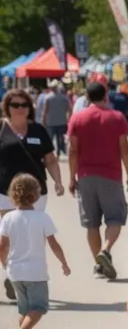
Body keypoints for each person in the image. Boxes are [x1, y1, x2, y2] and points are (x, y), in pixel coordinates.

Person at [1, 89, 64, 300]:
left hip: (36, 193)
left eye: (24, 105)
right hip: (4, 191)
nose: (20, 109)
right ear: (7, 107)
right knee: (8, 237)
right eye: (15, 105)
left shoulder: (38, 130)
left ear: (30, 107)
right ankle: (13, 276)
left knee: (32, 237)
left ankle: (27, 277)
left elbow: (50, 159)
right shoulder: (1, 129)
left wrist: (58, 181)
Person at [0, 173, 70, 329]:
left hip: (15, 272)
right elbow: (54, 244)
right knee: (39, 307)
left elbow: (2, 245)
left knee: (25, 310)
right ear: (36, 195)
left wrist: (4, 263)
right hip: (35, 272)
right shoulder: (42, 218)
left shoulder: (7, 219)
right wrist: (63, 262)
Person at [67, 81, 128, 281]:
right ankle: (106, 249)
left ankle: (98, 264)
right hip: (111, 175)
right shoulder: (117, 117)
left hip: (86, 176)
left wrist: (71, 177)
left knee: (91, 223)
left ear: (86, 97)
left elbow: (72, 150)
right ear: (106, 96)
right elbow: (124, 149)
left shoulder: (77, 118)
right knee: (115, 218)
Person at [37, 82, 72, 157]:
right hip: (62, 122)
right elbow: (70, 109)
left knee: (50, 139)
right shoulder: (64, 97)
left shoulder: (47, 98)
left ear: (50, 88)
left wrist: (43, 122)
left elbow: (45, 111)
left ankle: (50, 153)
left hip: (50, 123)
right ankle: (60, 152)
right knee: (60, 139)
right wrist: (69, 119)